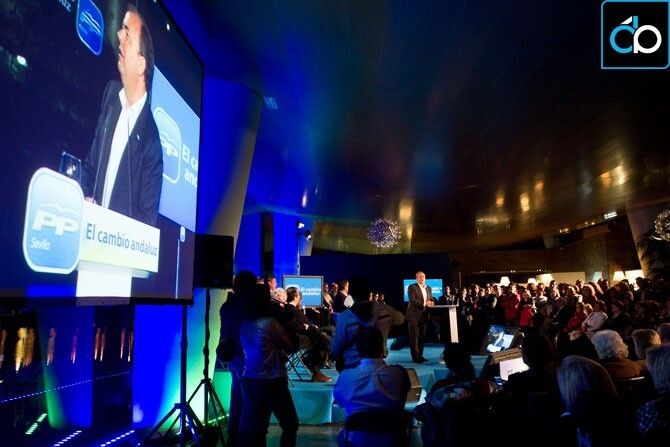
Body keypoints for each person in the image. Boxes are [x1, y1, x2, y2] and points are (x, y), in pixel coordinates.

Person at [82, 5, 162, 226]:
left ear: (141, 64)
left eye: (127, 34)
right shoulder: (111, 96)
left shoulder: (151, 142)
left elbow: (146, 221)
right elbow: (90, 168)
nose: (119, 36)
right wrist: (85, 197)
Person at [333, 327, 410, 447]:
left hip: (357, 441)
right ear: (382, 347)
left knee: (341, 436)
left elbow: (340, 402)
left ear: (357, 350)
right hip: (393, 440)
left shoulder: (346, 376)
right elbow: (404, 398)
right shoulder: (398, 373)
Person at [406, 271, 434, 363]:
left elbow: (431, 299)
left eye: (423, 276)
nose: (422, 278)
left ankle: (420, 356)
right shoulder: (412, 287)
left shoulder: (428, 288)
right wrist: (425, 303)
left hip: (424, 316)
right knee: (414, 338)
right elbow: (412, 300)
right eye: (420, 276)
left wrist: (432, 302)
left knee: (422, 337)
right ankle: (415, 357)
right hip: (413, 316)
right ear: (416, 278)